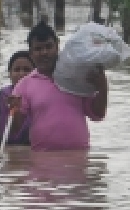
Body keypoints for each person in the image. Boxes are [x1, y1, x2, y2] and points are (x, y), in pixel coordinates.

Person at [6, 22, 107, 151]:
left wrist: (103, 87)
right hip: (42, 159)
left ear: (57, 46)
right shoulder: (24, 85)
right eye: (38, 49)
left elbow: (98, 114)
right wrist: (15, 109)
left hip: (79, 157)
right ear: (31, 54)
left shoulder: (76, 76)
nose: (44, 52)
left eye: (49, 47)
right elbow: (15, 130)